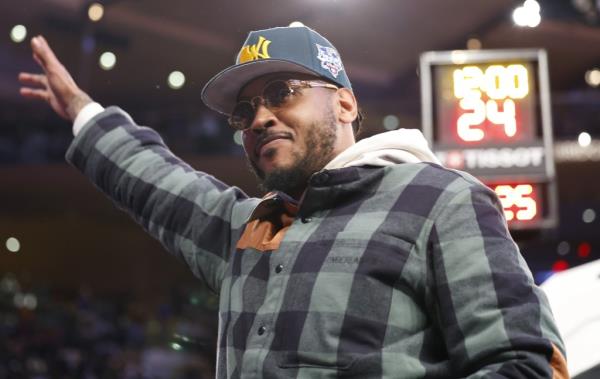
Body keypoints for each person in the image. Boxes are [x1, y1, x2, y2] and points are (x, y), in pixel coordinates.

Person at [19, 26, 569, 378]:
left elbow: (521, 363)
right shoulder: (249, 226)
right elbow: (157, 183)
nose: (258, 118)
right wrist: (85, 113)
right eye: (245, 111)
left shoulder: (440, 200)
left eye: (282, 93)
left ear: (347, 104)